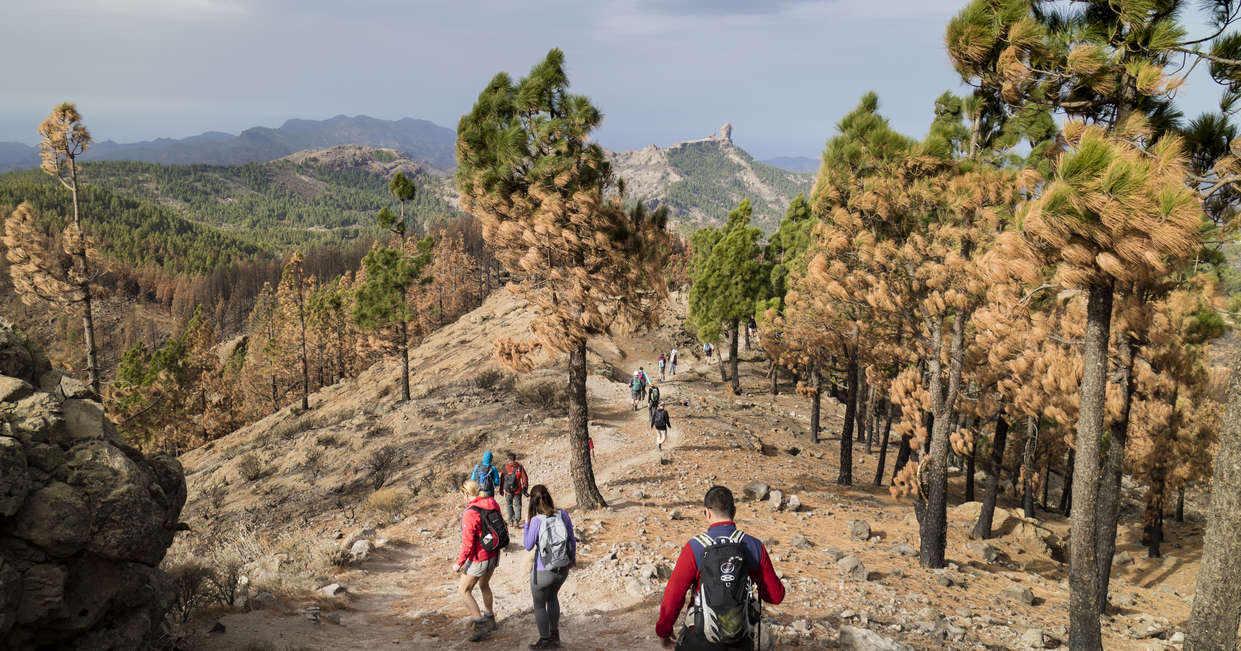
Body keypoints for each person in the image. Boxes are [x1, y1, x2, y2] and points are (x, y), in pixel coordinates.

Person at [656, 486, 784, 650]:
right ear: (734, 511)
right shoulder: (754, 546)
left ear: (707, 513)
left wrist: (664, 632)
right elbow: (775, 596)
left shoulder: (695, 547)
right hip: (740, 638)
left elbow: (674, 594)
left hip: (699, 639)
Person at [523, 485, 577, 649]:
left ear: (532, 501)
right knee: (553, 598)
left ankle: (544, 640)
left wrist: (526, 524)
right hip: (562, 568)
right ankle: (555, 636)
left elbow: (528, 545)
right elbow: (572, 540)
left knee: (539, 605)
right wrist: (571, 560)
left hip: (543, 570)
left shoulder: (535, 521)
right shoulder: (563, 514)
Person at [454, 479, 504, 642]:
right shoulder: (492, 502)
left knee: (464, 590)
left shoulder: (470, 512)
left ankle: (480, 623)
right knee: (484, 584)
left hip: (479, 557)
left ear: (466, 494)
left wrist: (459, 563)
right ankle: (490, 618)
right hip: (494, 553)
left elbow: (468, 543)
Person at [500, 452, 530, 526]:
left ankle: (510, 521)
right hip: (518, 490)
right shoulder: (519, 467)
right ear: (515, 459)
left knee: (509, 505)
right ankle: (517, 520)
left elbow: (502, 480)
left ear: (508, 459)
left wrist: (501, 490)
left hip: (507, 491)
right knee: (518, 505)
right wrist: (525, 488)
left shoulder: (504, 467)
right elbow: (525, 478)